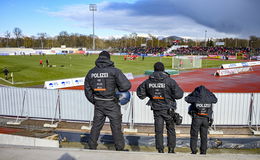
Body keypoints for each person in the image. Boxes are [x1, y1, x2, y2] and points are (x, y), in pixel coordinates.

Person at [84, 51, 131, 151]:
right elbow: (126, 86)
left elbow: (87, 91)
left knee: (96, 126)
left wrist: (95, 101)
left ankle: (91, 147)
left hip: (98, 104)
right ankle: (119, 148)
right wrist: (117, 88)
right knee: (116, 128)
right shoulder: (115, 71)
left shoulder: (91, 72)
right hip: (112, 103)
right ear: (109, 59)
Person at [136, 62, 184, 153]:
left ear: (154, 69)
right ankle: (171, 149)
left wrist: (151, 95)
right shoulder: (169, 81)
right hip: (168, 109)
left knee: (158, 130)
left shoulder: (148, 81)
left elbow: (140, 94)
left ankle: (160, 150)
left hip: (156, 109)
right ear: (163, 69)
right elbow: (179, 94)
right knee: (170, 129)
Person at [185, 85, 218, 155]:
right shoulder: (209, 95)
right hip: (206, 118)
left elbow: (187, 99)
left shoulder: (195, 95)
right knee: (204, 136)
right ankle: (203, 151)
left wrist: (193, 95)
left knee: (194, 135)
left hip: (196, 118)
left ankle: (193, 151)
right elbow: (215, 100)